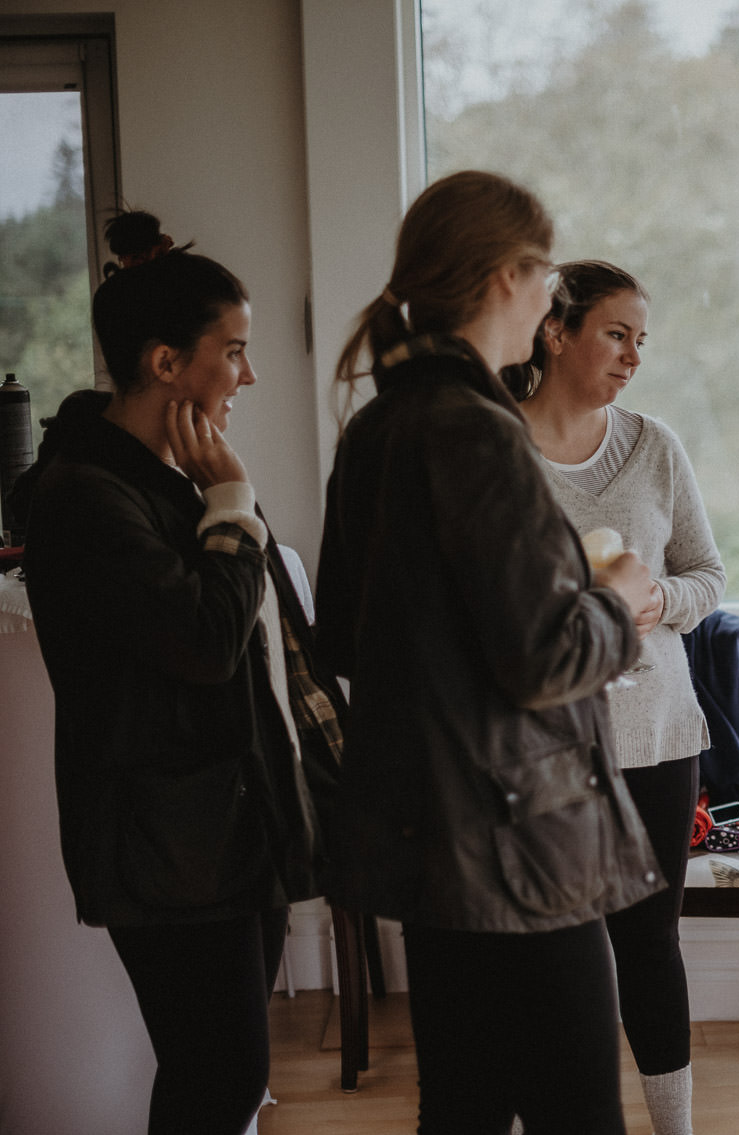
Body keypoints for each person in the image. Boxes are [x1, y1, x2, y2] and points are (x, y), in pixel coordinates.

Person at [314, 171, 663, 1135]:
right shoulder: (477, 431)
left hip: (432, 838)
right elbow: (547, 658)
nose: (553, 293)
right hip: (521, 839)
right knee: (577, 1113)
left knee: (462, 1110)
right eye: (546, 272)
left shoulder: (376, 426)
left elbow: (341, 631)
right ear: (510, 276)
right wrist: (617, 599)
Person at [20, 210, 344, 1135]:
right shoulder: (84, 496)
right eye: (233, 350)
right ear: (167, 362)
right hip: (167, 844)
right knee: (219, 1077)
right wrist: (234, 503)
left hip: (228, 831)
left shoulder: (164, 482)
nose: (248, 373)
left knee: (224, 1079)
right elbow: (206, 642)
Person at [503, 260, 725, 1135]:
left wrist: (655, 601)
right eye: (617, 333)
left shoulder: (654, 445)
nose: (634, 355)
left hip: (661, 735)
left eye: (643, 339)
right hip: (544, 745)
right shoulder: (498, 449)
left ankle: (676, 1129)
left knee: (648, 946)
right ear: (556, 331)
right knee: (547, 958)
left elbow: (707, 575)